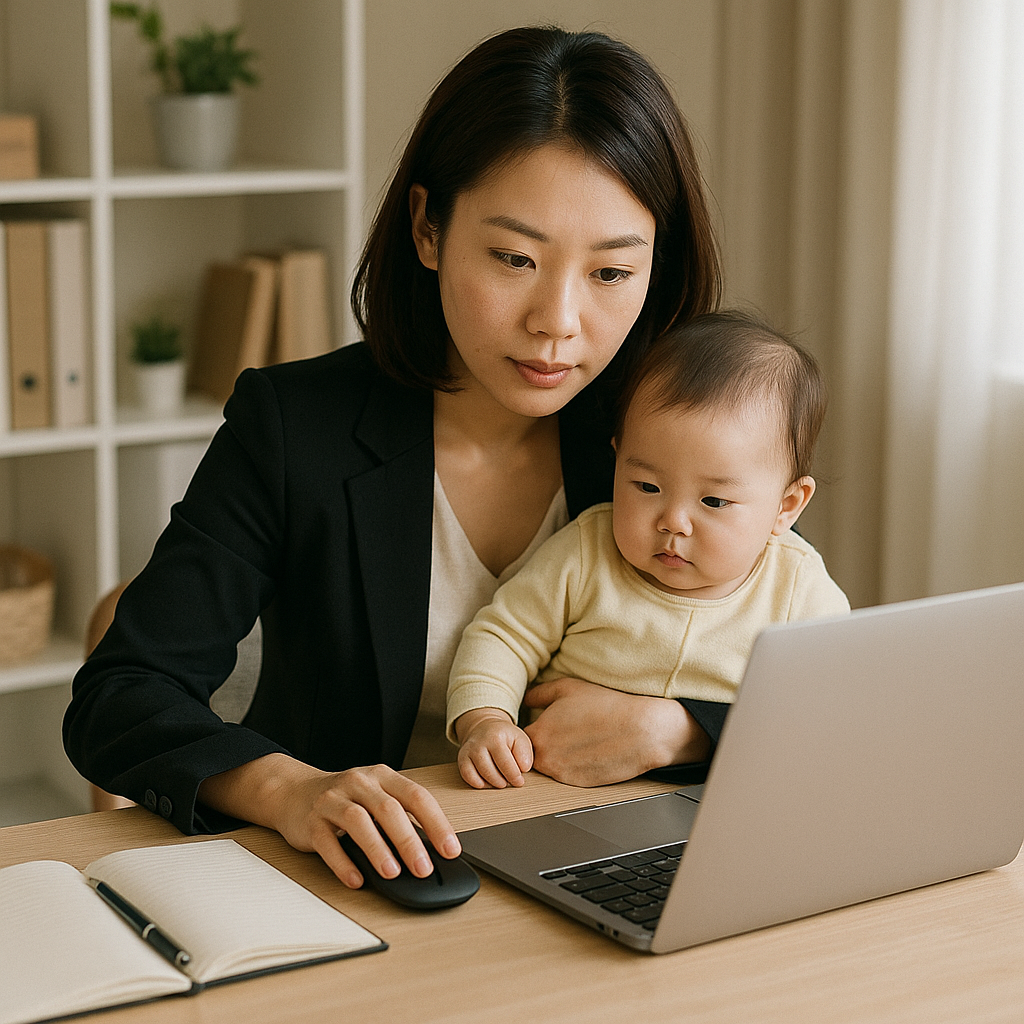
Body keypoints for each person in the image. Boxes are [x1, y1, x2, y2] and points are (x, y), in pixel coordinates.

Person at [63, 26, 721, 891]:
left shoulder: (672, 433)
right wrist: (289, 790)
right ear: (427, 227)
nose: (557, 322)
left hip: (602, 870)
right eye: (515, 258)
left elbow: (806, 671)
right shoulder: (296, 426)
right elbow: (122, 694)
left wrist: (679, 729)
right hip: (357, 886)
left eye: (610, 274)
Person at [448, 310, 850, 789]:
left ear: (786, 506)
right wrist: (486, 719)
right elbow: (503, 637)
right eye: (646, 486)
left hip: (715, 800)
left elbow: (832, 712)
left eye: (713, 501)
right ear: (617, 458)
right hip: (553, 790)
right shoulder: (587, 552)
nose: (673, 521)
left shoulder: (798, 590)